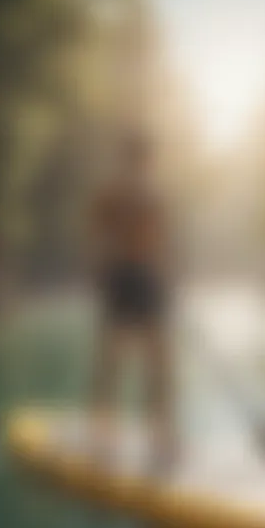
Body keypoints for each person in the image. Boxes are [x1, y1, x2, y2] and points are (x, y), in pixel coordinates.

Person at [87, 129, 177, 473]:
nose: (144, 166)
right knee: (119, 357)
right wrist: (100, 268)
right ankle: (106, 433)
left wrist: (164, 279)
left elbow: (158, 241)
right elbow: (97, 232)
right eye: (141, 159)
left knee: (152, 359)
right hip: (126, 276)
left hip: (141, 278)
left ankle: (160, 435)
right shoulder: (117, 192)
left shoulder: (146, 193)